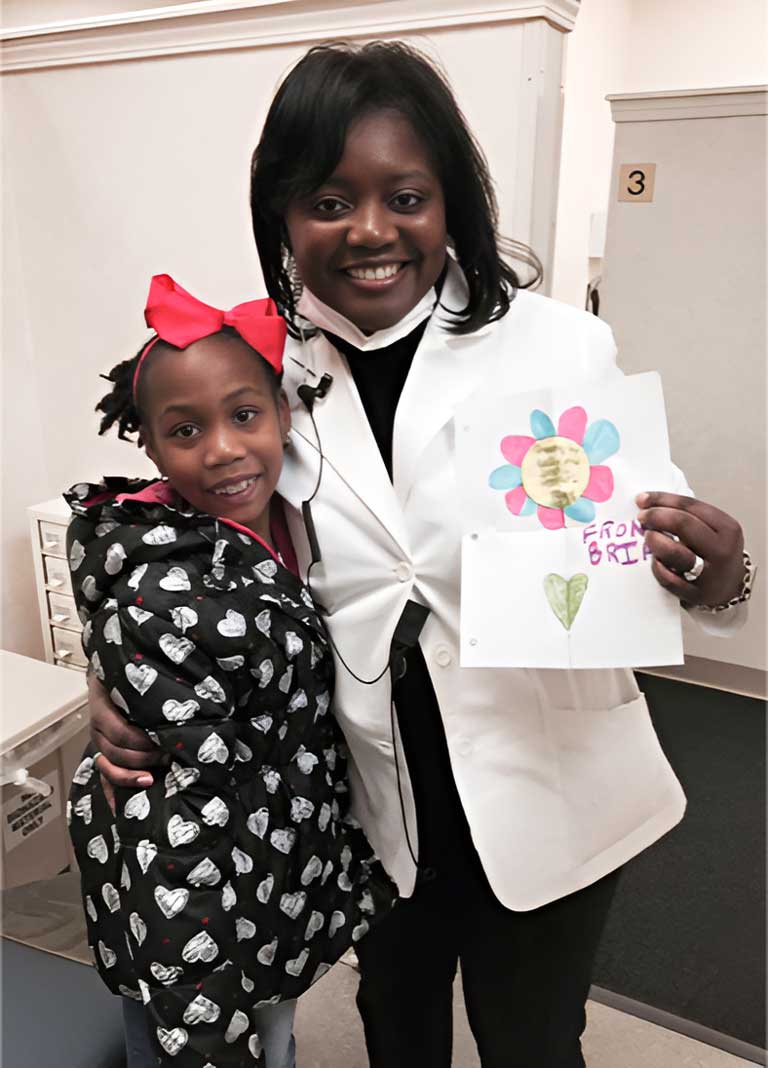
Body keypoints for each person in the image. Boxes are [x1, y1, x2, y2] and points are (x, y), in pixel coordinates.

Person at [88, 42, 752, 1067]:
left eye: (405, 195)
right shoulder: (261, 377)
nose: (368, 230)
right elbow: (182, 542)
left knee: (533, 1038)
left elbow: (652, 557)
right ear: (282, 216)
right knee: (395, 1022)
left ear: (451, 205)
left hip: (551, 775)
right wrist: (116, 681)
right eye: (326, 199)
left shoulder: (555, 346)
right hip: (367, 794)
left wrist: (717, 575)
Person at [65, 274, 395, 1067]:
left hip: (271, 864)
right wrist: (203, 1015)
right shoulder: (164, 594)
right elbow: (178, 828)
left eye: (244, 415)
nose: (221, 450)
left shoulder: (287, 522)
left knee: (275, 1024)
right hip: (198, 905)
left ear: (283, 412)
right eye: (185, 430)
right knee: (198, 1045)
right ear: (147, 444)